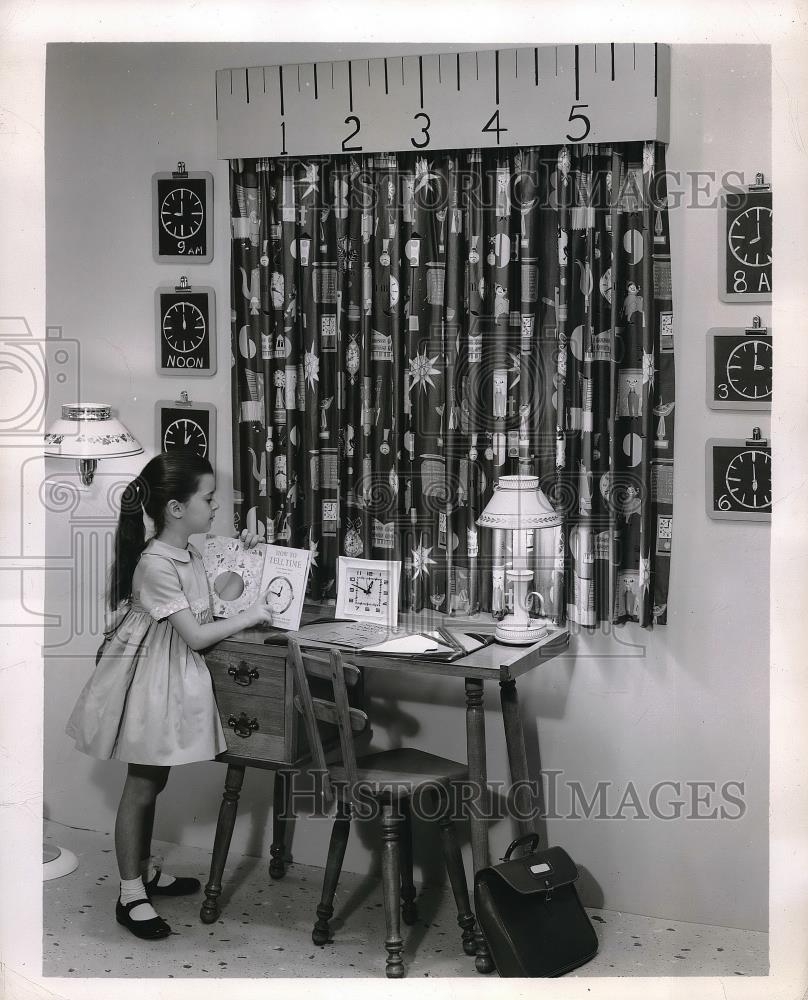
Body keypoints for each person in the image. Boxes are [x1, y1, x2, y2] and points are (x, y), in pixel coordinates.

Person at [66, 451, 273, 941]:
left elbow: (212, 599)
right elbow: (198, 636)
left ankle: (142, 869)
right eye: (208, 497)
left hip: (168, 678)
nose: (217, 505)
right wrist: (253, 616)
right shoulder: (156, 563)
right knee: (141, 785)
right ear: (177, 509)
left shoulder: (188, 552)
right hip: (149, 683)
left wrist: (247, 556)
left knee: (152, 780)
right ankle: (130, 893)